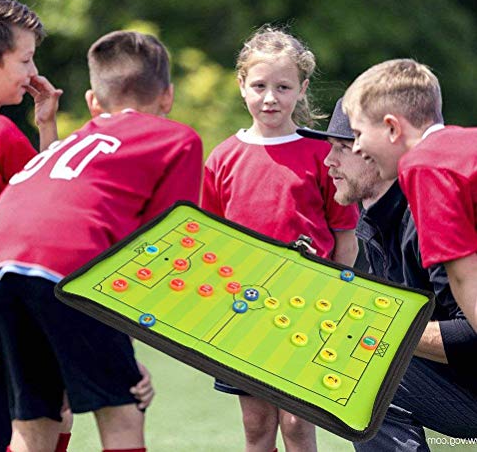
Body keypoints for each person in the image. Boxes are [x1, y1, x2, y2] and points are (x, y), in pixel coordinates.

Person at [0, 29, 203, 452]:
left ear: (94, 103)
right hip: (63, 266)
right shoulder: (176, 138)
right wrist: (129, 352)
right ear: (167, 97)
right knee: (122, 412)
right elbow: (163, 247)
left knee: (33, 423)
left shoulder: (76, 143)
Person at [202, 26, 360, 452]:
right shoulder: (222, 157)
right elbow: (210, 243)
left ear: (302, 88)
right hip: (243, 311)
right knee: (256, 426)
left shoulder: (321, 154)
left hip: (307, 308)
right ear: (241, 86)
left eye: (283, 86)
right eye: (259, 86)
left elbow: (346, 239)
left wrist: (335, 295)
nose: (270, 97)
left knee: (296, 424)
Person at [298, 98, 477, 451]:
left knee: (358, 357)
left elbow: (472, 333)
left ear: (376, 149)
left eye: (342, 148)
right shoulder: (377, 216)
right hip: (461, 385)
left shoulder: (428, 211)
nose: (328, 162)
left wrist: (372, 327)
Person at [0, 0, 63, 452]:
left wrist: (43, 126)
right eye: (25, 60)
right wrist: (49, 132)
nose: (33, 74)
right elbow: (51, 210)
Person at [341, 59, 477, 331]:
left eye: (358, 134)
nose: (356, 148)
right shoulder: (464, 144)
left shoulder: (425, 164)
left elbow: (464, 280)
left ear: (392, 127)